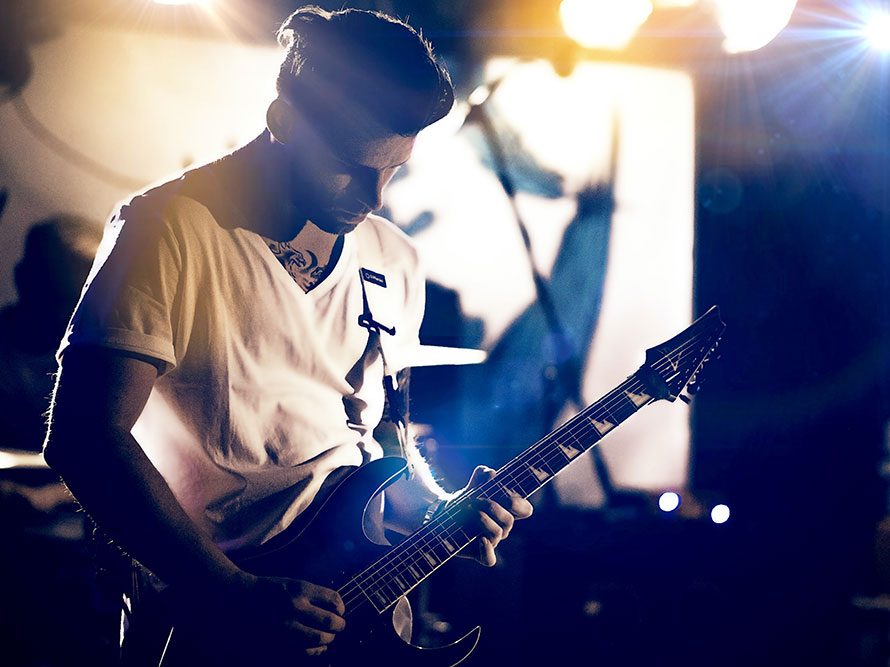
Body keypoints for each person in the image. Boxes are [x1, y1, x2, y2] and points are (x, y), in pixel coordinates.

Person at [42, 6, 532, 665]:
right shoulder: (167, 229)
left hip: (359, 618)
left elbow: (375, 442)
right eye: (353, 166)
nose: (375, 196)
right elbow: (82, 436)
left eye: (394, 169)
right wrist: (226, 590)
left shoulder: (394, 260)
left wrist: (440, 514)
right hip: (210, 620)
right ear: (283, 120)